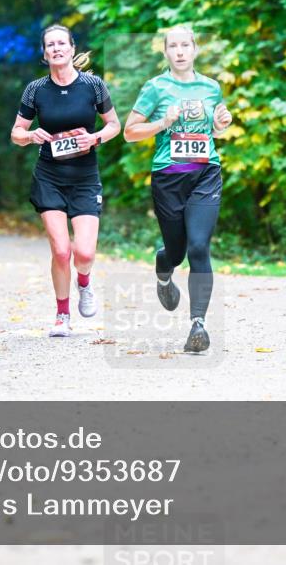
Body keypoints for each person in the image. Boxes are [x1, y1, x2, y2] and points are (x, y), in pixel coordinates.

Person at [123, 27, 233, 353]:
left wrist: (220, 124)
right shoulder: (155, 88)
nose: (180, 51)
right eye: (174, 46)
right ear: (166, 52)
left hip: (205, 174)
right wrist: (161, 124)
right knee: (177, 251)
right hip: (168, 179)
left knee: (198, 247)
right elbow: (130, 132)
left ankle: (198, 324)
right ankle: (164, 266)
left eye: (186, 45)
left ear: (195, 49)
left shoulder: (211, 88)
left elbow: (213, 130)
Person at [10, 25, 121, 337]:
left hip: (85, 177)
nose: (56, 49)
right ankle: (62, 315)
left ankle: (84, 282)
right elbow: (16, 133)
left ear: (72, 49)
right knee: (61, 250)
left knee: (84, 253)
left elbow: (113, 124)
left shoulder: (93, 85)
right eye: (50, 45)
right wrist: (31, 135)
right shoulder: (36, 90)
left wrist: (95, 138)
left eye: (62, 43)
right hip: (50, 177)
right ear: (45, 54)